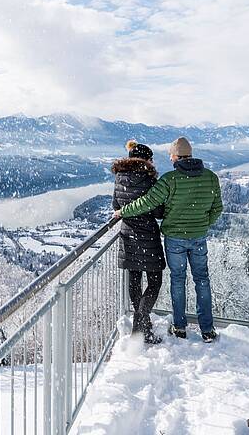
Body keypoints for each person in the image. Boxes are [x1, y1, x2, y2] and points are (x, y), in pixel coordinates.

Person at [114, 136, 223, 343]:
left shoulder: (170, 179)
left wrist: (123, 211)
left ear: (176, 156)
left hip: (174, 238)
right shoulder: (210, 177)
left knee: (178, 280)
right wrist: (202, 223)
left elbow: (148, 203)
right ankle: (207, 330)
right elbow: (217, 208)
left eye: (171, 155)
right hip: (198, 237)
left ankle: (180, 327)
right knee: (202, 280)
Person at [112, 140, 165, 344]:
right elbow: (159, 211)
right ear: (146, 160)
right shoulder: (150, 180)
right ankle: (140, 327)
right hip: (148, 236)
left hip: (128, 235)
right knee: (155, 281)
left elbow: (116, 204)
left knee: (134, 281)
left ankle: (142, 326)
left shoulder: (119, 177)